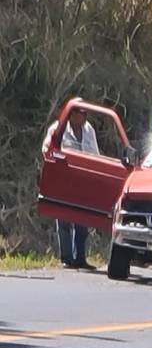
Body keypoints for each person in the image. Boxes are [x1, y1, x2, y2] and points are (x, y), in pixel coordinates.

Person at [42, 107, 99, 269]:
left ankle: (80, 258)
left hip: (83, 180)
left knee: (82, 220)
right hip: (64, 180)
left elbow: (95, 154)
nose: (83, 117)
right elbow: (46, 150)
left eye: (85, 114)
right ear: (72, 114)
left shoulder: (89, 131)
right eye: (80, 113)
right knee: (64, 219)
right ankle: (66, 258)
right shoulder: (57, 129)